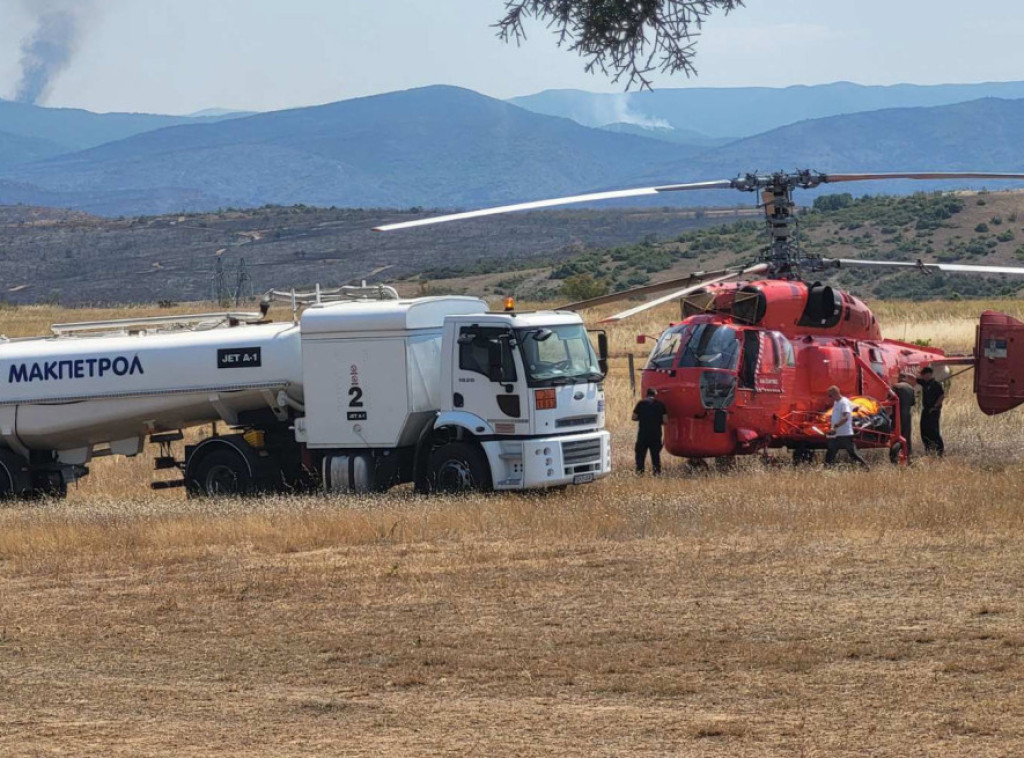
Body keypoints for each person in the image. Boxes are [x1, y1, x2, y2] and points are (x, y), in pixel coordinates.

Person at [824, 385, 869, 469]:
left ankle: (865, 468)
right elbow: (854, 406)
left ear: (835, 393)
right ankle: (827, 469)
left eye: (830, 395)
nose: (829, 398)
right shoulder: (837, 402)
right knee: (831, 451)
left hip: (845, 434)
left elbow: (846, 417)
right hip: (837, 434)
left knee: (853, 453)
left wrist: (835, 426)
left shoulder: (844, 402)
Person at [633, 387, 667, 475]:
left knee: (640, 455)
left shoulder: (641, 403)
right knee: (655, 455)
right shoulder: (660, 405)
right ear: (655, 395)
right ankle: (656, 473)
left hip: (643, 435)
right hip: (655, 434)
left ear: (646, 394)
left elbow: (634, 417)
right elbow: (665, 420)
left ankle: (640, 473)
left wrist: (643, 418)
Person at [918, 366, 945, 456]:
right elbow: (914, 379)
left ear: (929, 374)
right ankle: (928, 449)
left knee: (934, 431)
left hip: (933, 411)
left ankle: (940, 451)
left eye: (924, 375)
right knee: (924, 430)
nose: (923, 377)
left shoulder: (936, 384)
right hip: (925, 410)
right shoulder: (925, 383)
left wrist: (935, 406)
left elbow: (941, 396)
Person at [892, 373, 916, 458]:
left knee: (896, 433)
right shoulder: (910, 388)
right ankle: (908, 452)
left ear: (899, 378)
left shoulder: (896, 386)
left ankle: (896, 452)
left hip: (897, 413)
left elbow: (891, 399)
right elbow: (913, 402)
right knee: (907, 433)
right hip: (907, 413)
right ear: (905, 378)